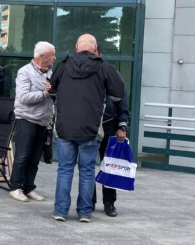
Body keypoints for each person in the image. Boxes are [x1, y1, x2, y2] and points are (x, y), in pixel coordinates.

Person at [48, 34, 124, 223]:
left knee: (65, 169)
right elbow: (118, 94)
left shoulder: (63, 65)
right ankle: (84, 212)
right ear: (95, 48)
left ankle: (60, 211)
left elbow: (51, 90)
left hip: (65, 127)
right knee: (87, 171)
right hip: (91, 129)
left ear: (76, 47)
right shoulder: (104, 67)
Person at [8, 42, 56, 203]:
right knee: (22, 156)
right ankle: (15, 187)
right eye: (52, 55)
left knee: (35, 158)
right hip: (26, 120)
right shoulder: (25, 72)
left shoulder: (51, 72)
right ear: (42, 56)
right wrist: (45, 94)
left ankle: (29, 187)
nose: (54, 58)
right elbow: (23, 98)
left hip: (43, 122)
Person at [92, 44, 130, 217]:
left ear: (100, 54)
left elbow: (123, 99)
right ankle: (88, 201)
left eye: (93, 53)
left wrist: (122, 125)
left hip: (108, 125)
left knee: (110, 166)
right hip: (88, 126)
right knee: (86, 167)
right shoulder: (82, 74)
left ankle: (109, 203)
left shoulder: (112, 73)